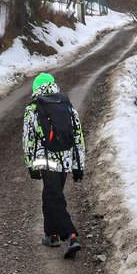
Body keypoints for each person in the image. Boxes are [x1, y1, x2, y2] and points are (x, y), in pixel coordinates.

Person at [23, 72, 85, 258]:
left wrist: (31, 165)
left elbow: (28, 140)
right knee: (52, 195)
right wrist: (79, 165)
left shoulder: (33, 108)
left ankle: (70, 235)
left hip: (46, 160)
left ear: (36, 88)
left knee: (54, 198)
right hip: (65, 159)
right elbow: (78, 136)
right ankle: (51, 235)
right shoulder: (66, 105)